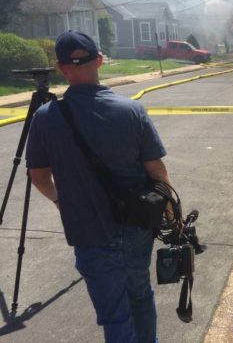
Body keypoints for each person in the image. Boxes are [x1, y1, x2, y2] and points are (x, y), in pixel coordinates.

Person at [26, 30, 170, 343]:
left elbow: (38, 178)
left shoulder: (45, 117)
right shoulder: (132, 110)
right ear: (100, 61)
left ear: (62, 68)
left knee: (116, 315)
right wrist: (172, 213)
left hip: (89, 232)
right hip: (136, 227)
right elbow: (157, 171)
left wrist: (59, 201)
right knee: (140, 294)